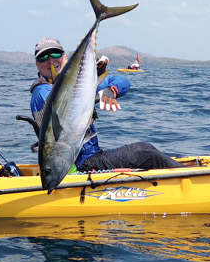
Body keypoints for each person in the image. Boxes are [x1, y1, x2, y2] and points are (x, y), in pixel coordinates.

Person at [30, 38, 183, 172]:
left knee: (145, 146)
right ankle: (191, 179)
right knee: (149, 156)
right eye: (43, 57)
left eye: (55, 54)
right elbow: (63, 107)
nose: (50, 61)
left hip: (94, 154)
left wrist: (111, 90)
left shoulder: (79, 86)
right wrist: (95, 96)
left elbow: (123, 82)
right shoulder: (41, 93)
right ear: (37, 64)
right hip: (79, 164)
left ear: (65, 57)